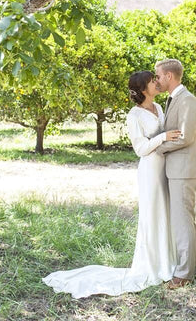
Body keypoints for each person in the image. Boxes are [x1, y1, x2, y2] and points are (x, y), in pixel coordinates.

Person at [42, 70, 181, 298]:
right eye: (152, 81)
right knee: (152, 215)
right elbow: (140, 149)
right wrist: (163, 137)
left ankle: (168, 262)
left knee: (165, 213)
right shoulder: (134, 115)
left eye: (157, 79)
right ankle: (152, 265)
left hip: (165, 167)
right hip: (150, 169)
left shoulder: (159, 108)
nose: (157, 83)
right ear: (143, 89)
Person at [155, 59, 196, 289]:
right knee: (178, 220)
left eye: (158, 76)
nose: (156, 80)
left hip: (184, 171)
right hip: (174, 169)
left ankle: (184, 274)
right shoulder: (172, 99)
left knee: (184, 221)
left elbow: (185, 136)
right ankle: (181, 265)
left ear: (169, 76)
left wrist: (156, 147)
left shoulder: (188, 100)